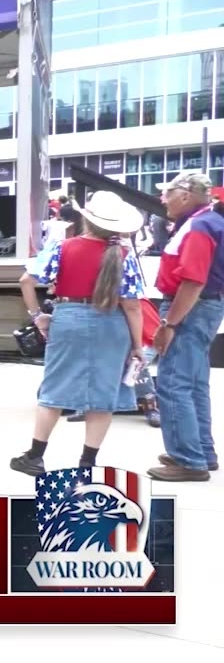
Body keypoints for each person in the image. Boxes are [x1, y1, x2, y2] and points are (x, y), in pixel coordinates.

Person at [10, 191, 146, 477]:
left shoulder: (61, 247)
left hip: (68, 317)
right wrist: (137, 345)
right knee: (103, 394)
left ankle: (35, 456)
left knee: (54, 390)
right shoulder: (123, 256)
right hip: (113, 324)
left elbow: (26, 280)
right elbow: (132, 305)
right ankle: (87, 462)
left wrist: (39, 317)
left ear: (86, 219)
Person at [147, 172, 224, 482]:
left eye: (168, 192)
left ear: (186, 195)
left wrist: (169, 323)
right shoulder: (210, 222)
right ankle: (200, 450)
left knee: (174, 382)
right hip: (206, 306)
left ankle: (188, 458)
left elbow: (193, 280)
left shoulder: (198, 226)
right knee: (193, 382)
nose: (163, 198)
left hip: (190, 307)